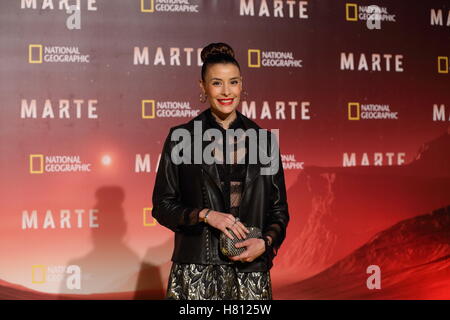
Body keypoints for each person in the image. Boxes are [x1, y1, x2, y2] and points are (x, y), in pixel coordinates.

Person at [151, 42, 289, 300]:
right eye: (216, 83)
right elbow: (162, 206)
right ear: (202, 87)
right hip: (196, 271)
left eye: (233, 82)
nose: (226, 91)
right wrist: (205, 215)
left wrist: (266, 243)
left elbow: (279, 211)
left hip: (250, 272)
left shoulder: (265, 141)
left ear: (242, 84)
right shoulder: (182, 137)